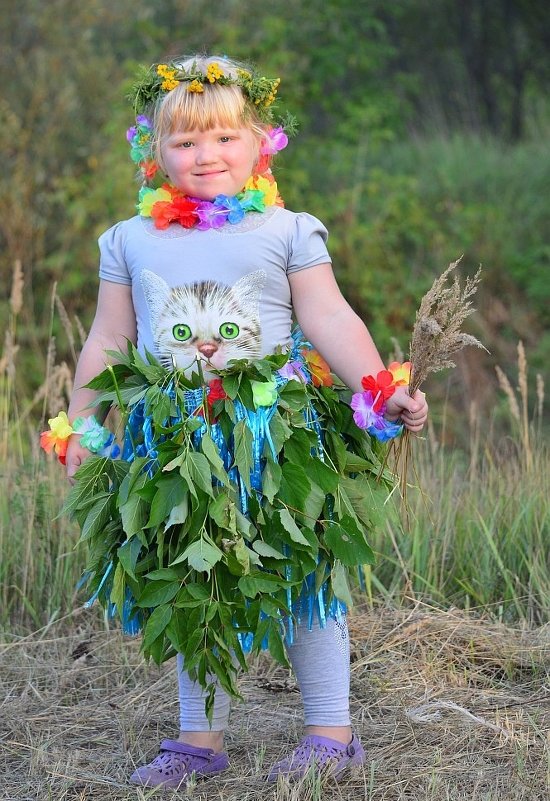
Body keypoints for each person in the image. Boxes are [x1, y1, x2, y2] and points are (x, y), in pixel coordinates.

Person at [64, 54, 428, 788]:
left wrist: (381, 387)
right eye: (186, 142)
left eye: (226, 138)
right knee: (189, 576)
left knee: (302, 576)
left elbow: (329, 315)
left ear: (262, 140)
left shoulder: (288, 228)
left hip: (274, 432)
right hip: (173, 442)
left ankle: (331, 731)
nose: (207, 156)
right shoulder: (129, 240)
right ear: (154, 152)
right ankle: (199, 740)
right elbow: (107, 337)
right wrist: (81, 423)